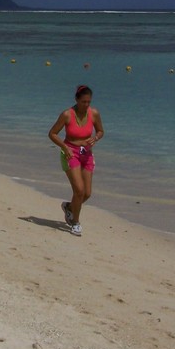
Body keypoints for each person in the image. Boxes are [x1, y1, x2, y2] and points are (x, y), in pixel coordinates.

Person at [48, 85, 104, 236]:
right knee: (78, 190)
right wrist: (64, 148)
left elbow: (101, 131)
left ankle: (69, 208)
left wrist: (96, 138)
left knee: (87, 193)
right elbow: (52, 133)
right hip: (70, 153)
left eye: (88, 102)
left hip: (86, 153)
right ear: (76, 100)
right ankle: (75, 222)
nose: (86, 105)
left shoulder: (94, 113)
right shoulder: (67, 114)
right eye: (83, 102)